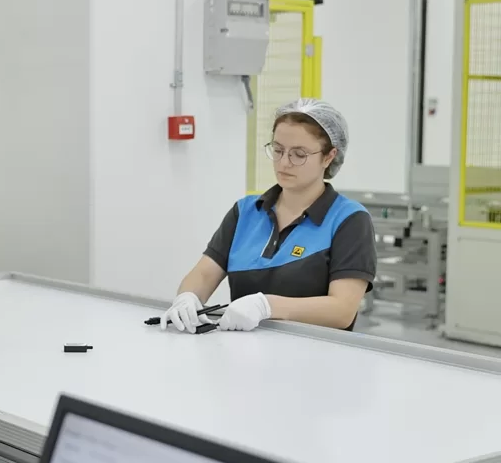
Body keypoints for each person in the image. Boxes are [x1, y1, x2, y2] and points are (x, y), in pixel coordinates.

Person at [160, 98, 376, 334]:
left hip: (316, 353)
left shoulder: (349, 219)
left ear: (328, 157)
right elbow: (204, 274)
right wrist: (187, 297)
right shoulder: (245, 212)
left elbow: (342, 311)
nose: (284, 163)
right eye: (278, 150)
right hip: (243, 349)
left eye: (299, 154)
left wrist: (267, 306)